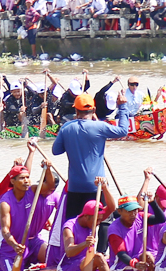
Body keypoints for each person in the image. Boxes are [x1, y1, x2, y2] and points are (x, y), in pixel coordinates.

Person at [51, 93, 125, 221]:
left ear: (76, 110)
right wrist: (123, 107)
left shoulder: (66, 128)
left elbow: (56, 151)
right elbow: (123, 131)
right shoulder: (100, 126)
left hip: (75, 186)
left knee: (72, 223)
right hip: (97, 184)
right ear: (94, 110)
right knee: (103, 221)